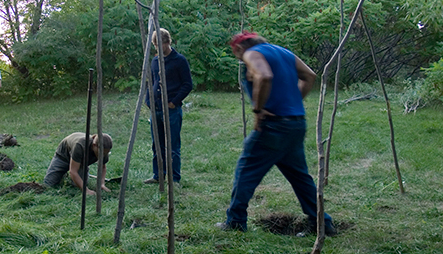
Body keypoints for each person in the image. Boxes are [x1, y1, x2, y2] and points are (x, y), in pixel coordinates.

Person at [216, 32, 337, 236]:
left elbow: (264, 76)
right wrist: (292, 103)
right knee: (300, 177)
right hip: (296, 124)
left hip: (271, 126)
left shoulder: (251, 54)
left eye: (235, 52)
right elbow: (310, 76)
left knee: (246, 171)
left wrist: (258, 110)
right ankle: (322, 223)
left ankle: (235, 221)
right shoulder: (283, 52)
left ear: (238, 48)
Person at [144, 28, 193, 184]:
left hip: (171, 109)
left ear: (167, 42)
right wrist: (148, 101)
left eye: (160, 44)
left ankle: (174, 179)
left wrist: (174, 102)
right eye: (155, 45)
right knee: (156, 144)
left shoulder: (179, 60)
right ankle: (158, 175)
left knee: (172, 146)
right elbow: (151, 82)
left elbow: (187, 84)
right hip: (156, 109)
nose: (158, 47)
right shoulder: (154, 61)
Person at [44, 133, 113, 196]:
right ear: (94, 145)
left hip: (81, 162)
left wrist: (102, 184)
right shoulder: (80, 145)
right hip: (64, 156)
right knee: (49, 183)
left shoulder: (103, 150)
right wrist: (86, 190)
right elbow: (73, 171)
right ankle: (63, 173)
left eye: (106, 153)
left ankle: (79, 172)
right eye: (101, 153)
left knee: (77, 185)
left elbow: (102, 167)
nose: (103, 155)